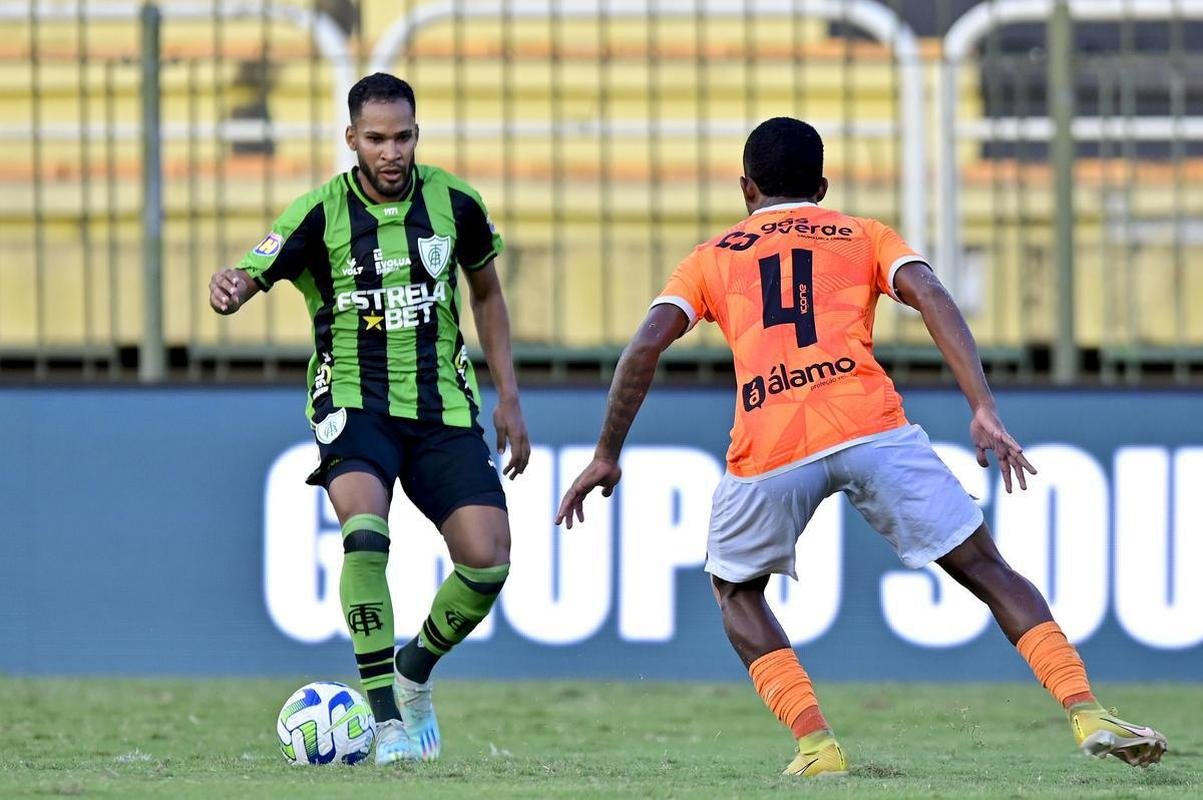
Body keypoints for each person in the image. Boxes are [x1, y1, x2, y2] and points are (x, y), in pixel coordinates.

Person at [555, 117, 1167, 777]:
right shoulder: (862, 234)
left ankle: (817, 747)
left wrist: (605, 452)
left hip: (770, 441)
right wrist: (982, 407)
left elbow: (645, 344)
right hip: (868, 425)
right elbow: (929, 292)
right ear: (821, 185)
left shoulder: (711, 257)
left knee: (734, 592)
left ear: (745, 187)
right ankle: (1085, 711)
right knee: (987, 569)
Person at [209, 73, 530, 765]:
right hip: (352, 404)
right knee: (364, 533)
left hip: (441, 406)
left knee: (488, 560)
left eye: (403, 137)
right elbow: (250, 272)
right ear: (350, 138)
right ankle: (384, 723)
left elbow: (488, 294)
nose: (391, 152)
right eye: (377, 139)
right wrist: (232, 287)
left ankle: (413, 674)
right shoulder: (318, 214)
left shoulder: (456, 203)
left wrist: (507, 397)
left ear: (417, 134)